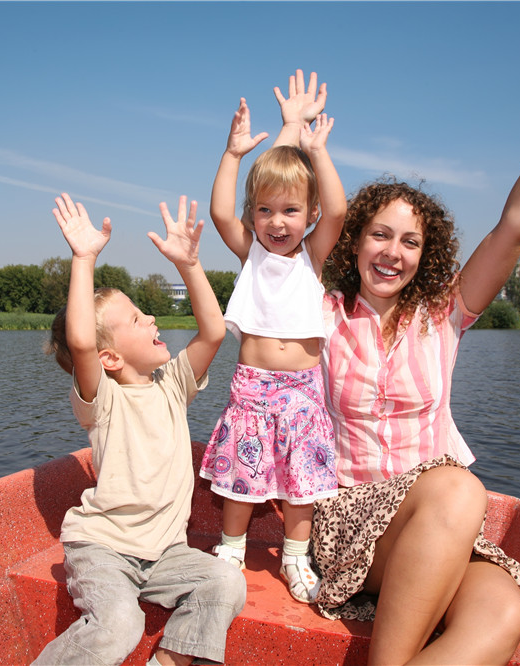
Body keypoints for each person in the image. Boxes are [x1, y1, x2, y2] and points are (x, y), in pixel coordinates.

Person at [310, 55, 520, 665]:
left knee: (504, 608)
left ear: (426, 254)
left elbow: (514, 226)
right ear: (354, 239)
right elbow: (264, 242)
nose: (392, 252)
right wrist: (298, 144)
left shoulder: (442, 315)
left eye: (410, 241)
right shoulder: (321, 312)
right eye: (380, 234)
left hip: (436, 528)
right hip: (349, 520)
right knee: (460, 489)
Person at [35, 193, 246, 666]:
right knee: (121, 623)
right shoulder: (103, 401)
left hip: (165, 552)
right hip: (105, 549)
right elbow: (81, 342)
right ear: (110, 358)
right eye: (135, 318)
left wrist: (190, 265)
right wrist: (84, 257)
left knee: (225, 580)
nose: (151, 318)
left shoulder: (172, 385)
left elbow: (213, 332)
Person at [199, 70, 345, 604]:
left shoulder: (315, 255)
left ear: (309, 217)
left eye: (290, 211)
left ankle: (294, 557)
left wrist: (314, 149)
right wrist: (232, 153)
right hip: (253, 386)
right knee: (244, 471)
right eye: (264, 211)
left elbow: (339, 208)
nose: (276, 222)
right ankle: (231, 550)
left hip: (304, 390)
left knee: (302, 483)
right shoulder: (251, 254)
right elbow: (220, 209)